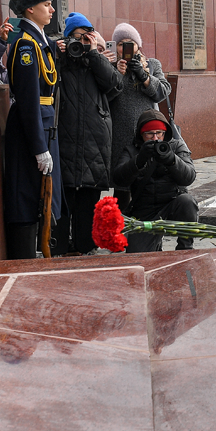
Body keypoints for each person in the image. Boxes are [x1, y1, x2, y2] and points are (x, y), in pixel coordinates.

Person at [1, 0, 60, 260]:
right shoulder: (26, 45)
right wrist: (38, 146)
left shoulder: (38, 41)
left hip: (43, 125)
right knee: (26, 196)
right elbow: (27, 101)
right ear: (29, 9)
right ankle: (24, 258)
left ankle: (41, 250)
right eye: (46, 5)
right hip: (31, 129)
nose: (51, 9)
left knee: (42, 198)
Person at [55, 13, 123, 254]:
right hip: (64, 144)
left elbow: (115, 84)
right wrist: (57, 53)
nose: (81, 43)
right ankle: (59, 249)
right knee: (62, 208)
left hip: (94, 147)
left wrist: (94, 53)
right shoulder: (60, 60)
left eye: (87, 37)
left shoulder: (97, 61)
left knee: (87, 211)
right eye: (77, 37)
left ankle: (86, 250)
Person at [105, 24, 174, 207]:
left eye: (130, 43)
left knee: (148, 182)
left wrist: (144, 76)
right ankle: (122, 229)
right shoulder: (109, 67)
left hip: (148, 134)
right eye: (121, 43)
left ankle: (145, 228)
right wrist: (117, 74)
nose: (125, 48)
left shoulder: (152, 65)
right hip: (120, 136)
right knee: (122, 184)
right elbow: (104, 97)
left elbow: (163, 92)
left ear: (138, 45)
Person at [112, 110, 198, 253]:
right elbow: (119, 179)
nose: (156, 138)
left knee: (187, 202)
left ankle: (185, 249)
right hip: (145, 211)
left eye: (159, 133)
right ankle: (155, 245)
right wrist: (139, 160)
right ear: (141, 135)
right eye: (150, 134)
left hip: (171, 204)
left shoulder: (176, 147)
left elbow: (188, 177)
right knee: (137, 255)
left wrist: (171, 159)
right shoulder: (132, 151)